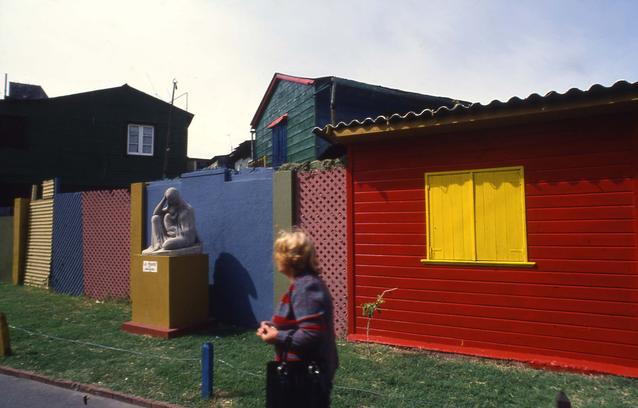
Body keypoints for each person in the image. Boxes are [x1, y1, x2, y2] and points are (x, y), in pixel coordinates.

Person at [257, 229, 338, 406]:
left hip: (303, 376)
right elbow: (299, 322)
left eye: (277, 253)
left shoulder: (305, 288)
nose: (275, 257)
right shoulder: (305, 283)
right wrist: (272, 326)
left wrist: (276, 336)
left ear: (288, 258)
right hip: (299, 373)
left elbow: (311, 334)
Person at [142, 187, 199, 254]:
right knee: (155, 218)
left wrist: (174, 231)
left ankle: (164, 244)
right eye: (169, 200)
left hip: (185, 237)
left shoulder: (187, 209)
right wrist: (164, 199)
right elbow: (155, 213)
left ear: (176, 198)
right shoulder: (171, 207)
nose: (170, 202)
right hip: (173, 235)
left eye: (171, 199)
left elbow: (189, 231)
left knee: (167, 245)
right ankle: (158, 243)